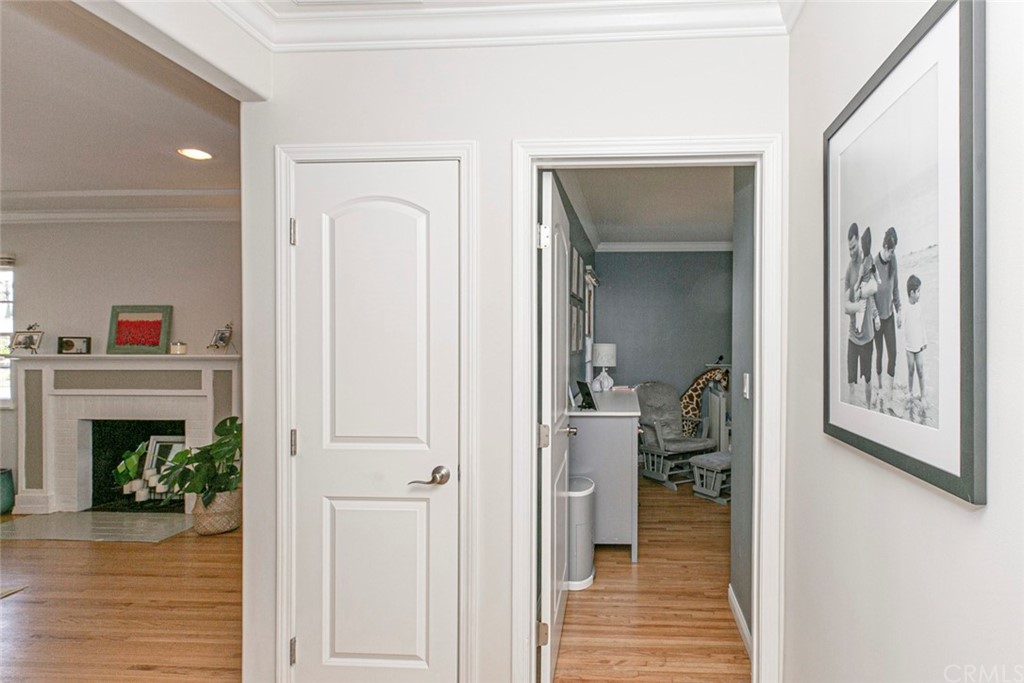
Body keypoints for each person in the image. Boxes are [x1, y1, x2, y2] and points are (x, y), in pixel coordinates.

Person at [843, 222, 878, 407]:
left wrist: (861, 293)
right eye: (849, 248)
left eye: (854, 247)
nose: (851, 252)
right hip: (852, 338)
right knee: (850, 383)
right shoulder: (849, 269)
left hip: (868, 337)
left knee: (868, 380)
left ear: (858, 242)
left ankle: (869, 409)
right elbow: (846, 307)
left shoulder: (867, 260)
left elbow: (874, 286)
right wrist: (857, 305)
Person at [873, 227, 902, 412]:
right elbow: (870, 295)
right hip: (876, 321)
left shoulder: (894, 261)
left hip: (890, 317)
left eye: (894, 251)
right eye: (891, 250)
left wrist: (899, 309)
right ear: (885, 246)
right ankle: (880, 388)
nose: (892, 254)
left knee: (893, 354)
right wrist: (875, 315)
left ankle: (889, 396)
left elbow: (896, 287)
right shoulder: (873, 264)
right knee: (880, 354)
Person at [903, 274, 927, 401]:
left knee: (920, 370)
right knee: (911, 370)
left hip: (918, 345)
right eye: (918, 291)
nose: (919, 294)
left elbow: (922, 324)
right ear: (912, 293)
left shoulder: (919, 307)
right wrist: (899, 320)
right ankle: (910, 392)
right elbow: (901, 323)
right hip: (909, 347)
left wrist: (925, 341)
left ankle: (923, 395)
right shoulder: (906, 308)